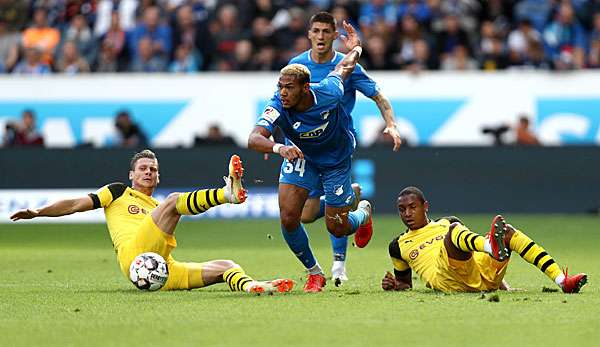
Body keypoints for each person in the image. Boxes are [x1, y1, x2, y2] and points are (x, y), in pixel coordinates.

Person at [10, 150, 293, 294]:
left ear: (157, 177)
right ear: (132, 174)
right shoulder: (118, 191)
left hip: (161, 270)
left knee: (227, 266)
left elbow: (167, 216)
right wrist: (38, 213)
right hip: (135, 257)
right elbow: (73, 204)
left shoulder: (157, 208)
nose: (148, 172)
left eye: (153, 170)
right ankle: (225, 194)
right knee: (174, 201)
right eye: (143, 168)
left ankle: (256, 286)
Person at [248, 21, 373, 293]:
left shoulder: (328, 91)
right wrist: (278, 148)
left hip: (336, 157)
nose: (282, 93)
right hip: (301, 154)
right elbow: (254, 137)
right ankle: (314, 273)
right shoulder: (278, 104)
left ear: (305, 88)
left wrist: (357, 49)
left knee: (337, 227)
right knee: (290, 217)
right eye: (280, 87)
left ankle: (362, 212)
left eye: (288, 88)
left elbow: (345, 68)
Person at [287, 12, 402, 286]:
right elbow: (285, 103)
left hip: (336, 147)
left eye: (327, 31)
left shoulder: (347, 66)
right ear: (309, 34)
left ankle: (338, 265)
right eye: (316, 31)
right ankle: (357, 203)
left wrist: (391, 125)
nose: (321, 37)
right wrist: (276, 141)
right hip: (305, 147)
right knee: (305, 215)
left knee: (333, 217)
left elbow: (379, 96)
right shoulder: (296, 66)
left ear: (334, 35)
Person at [381, 186, 587, 294]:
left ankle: (562, 281)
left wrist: (503, 286)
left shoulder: (446, 222)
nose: (407, 213)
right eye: (402, 209)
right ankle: (491, 246)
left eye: (412, 207)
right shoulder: (397, 245)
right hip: (447, 280)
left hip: (482, 276)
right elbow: (405, 283)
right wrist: (393, 284)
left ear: (425, 206)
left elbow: (472, 252)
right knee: (455, 231)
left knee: (507, 232)